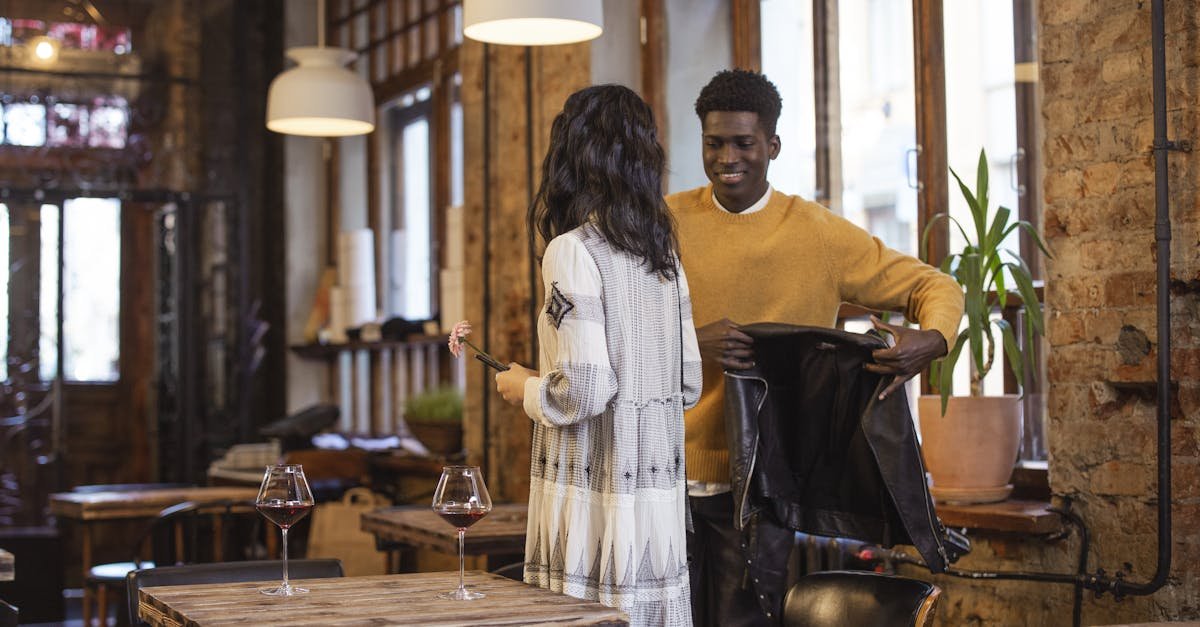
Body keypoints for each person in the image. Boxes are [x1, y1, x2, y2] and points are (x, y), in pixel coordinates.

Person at [666, 69, 964, 627]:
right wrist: (687, 342)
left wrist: (933, 338)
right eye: (714, 143)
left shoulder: (818, 234)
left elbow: (934, 285)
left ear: (773, 145)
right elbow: (618, 329)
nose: (727, 158)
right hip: (660, 473)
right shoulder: (665, 223)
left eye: (743, 143)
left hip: (764, 484)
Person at [494, 84, 702, 627]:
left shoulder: (571, 250)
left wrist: (525, 388)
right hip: (655, 502)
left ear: (572, 154)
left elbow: (584, 392)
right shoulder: (663, 256)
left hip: (593, 498)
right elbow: (688, 383)